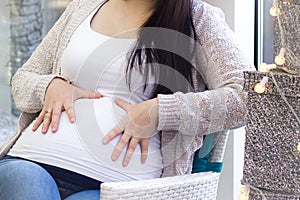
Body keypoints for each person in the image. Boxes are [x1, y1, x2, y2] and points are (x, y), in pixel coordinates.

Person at [0, 0, 254, 199]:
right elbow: (22, 80)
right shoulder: (83, 6)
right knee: (26, 182)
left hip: (120, 187)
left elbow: (248, 98)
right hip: (32, 159)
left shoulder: (199, 19)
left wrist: (160, 111)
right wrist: (49, 86)